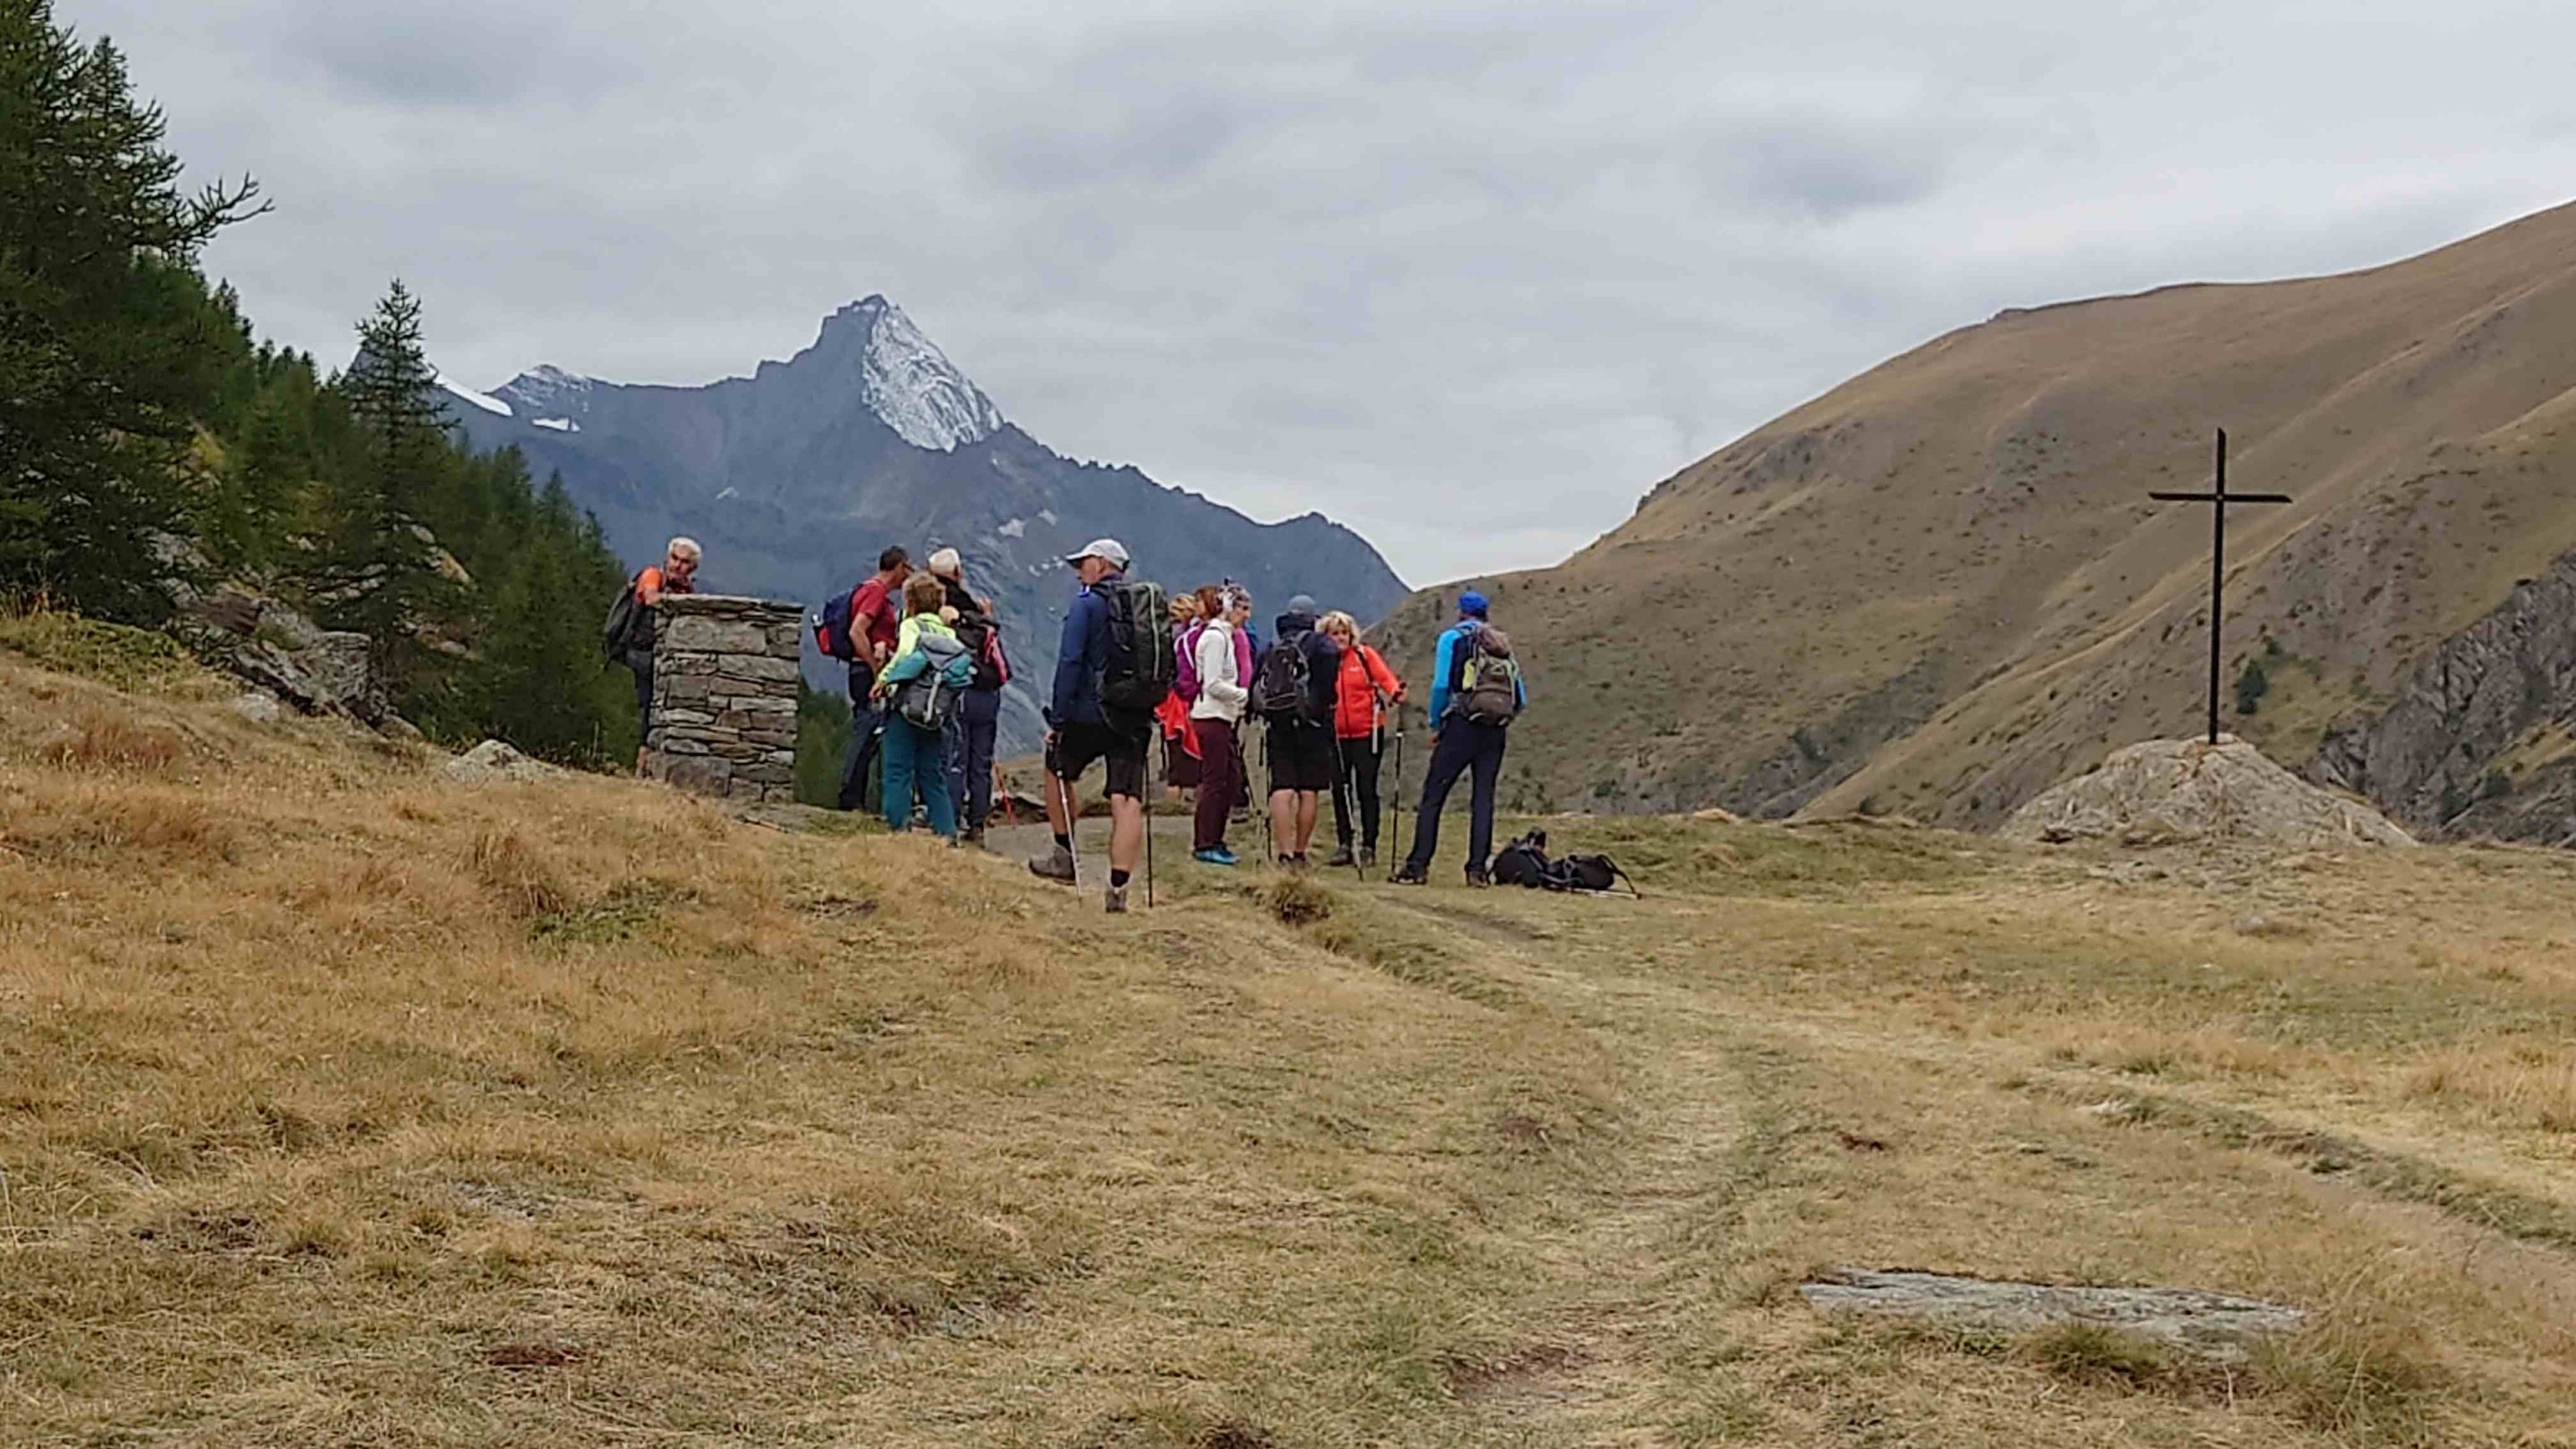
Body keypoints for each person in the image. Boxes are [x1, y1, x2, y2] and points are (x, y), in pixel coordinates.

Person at [1028, 538, 1149, 913]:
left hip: (1088, 712)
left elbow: (1070, 661)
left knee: (1056, 768)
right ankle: (1118, 890)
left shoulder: (1087, 604)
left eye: (1082, 565)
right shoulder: (1142, 607)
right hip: (1134, 715)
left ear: (1100, 563)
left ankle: (1063, 855)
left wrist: (1058, 718)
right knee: (1126, 798)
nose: (1079, 573)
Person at [1392, 589, 1526, 887]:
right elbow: (1521, 697)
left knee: (1434, 795)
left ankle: (1417, 865)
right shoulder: (1500, 644)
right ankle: (1477, 870)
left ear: (1461, 612)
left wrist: (1436, 722)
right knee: (1483, 798)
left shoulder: (1451, 638)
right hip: (1494, 730)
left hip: (1460, 726)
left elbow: (1441, 686)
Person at [871, 572, 969, 840]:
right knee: (932, 774)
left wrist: (884, 679)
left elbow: (906, 656)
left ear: (910, 601)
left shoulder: (911, 626)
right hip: (936, 713)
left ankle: (898, 827)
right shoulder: (948, 633)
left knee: (898, 769)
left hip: (906, 708)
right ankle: (946, 831)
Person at [1256, 594, 1342, 869]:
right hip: (1313, 724)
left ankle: (1283, 852)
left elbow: (1256, 684)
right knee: (1308, 790)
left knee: (1282, 787)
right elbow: (1329, 687)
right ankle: (1300, 853)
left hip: (1278, 722)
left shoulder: (1272, 646)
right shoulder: (1322, 645)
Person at [927, 547, 1005, 846]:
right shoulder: (978, 614)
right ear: (958, 573)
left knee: (954, 758)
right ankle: (977, 824)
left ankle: (949, 820)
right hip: (987, 693)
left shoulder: (937, 611)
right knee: (980, 762)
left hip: (957, 693)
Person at [1317, 610, 1405, 869]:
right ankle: (1345, 843)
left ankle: (1369, 845)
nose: (1340, 638)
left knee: (1367, 789)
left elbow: (1385, 678)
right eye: (1334, 633)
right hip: (1336, 735)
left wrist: (1396, 692)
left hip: (1368, 733)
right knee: (1340, 790)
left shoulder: (1364, 656)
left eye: (1344, 633)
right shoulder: (1323, 662)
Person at [835, 547, 911, 813]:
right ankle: (849, 796)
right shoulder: (876, 593)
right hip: (866, 672)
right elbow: (857, 631)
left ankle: (856, 797)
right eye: (906, 569)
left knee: (868, 730)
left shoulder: (867, 589)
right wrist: (875, 668)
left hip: (861, 670)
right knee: (866, 729)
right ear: (898, 567)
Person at [1189, 586, 1252, 866]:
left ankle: (1215, 838)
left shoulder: (1224, 637)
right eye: (1242, 609)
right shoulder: (1215, 638)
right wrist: (1242, 695)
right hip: (1211, 716)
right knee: (1216, 781)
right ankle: (1205, 842)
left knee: (1230, 780)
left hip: (1222, 716)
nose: (1246, 616)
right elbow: (1212, 683)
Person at [625, 537, 699, 774]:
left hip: (663, 656)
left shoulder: (686, 590)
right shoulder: (652, 576)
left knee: (658, 706)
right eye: (674, 558)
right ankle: (642, 761)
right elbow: (650, 597)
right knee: (649, 705)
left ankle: (650, 760)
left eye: (685, 562)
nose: (677, 565)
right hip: (642, 652)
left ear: (693, 568)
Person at [1158, 590, 1205, 801]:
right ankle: (1197, 801)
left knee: (1174, 760)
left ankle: (1171, 802)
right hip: (1191, 700)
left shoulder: (1165, 636)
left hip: (1170, 701)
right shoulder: (1196, 637)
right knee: (1199, 758)